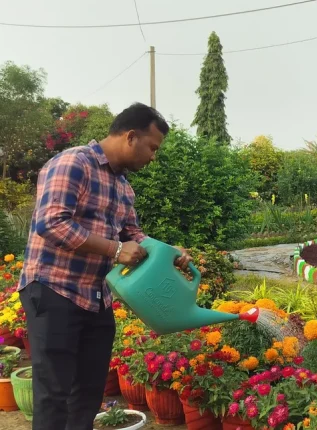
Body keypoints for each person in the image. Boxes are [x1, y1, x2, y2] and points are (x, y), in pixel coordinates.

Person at [18, 102, 192, 430]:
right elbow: (51, 223)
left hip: (96, 298)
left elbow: (133, 235)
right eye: (152, 147)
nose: (153, 157)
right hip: (54, 290)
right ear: (130, 136)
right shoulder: (73, 163)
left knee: (88, 392)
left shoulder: (123, 186)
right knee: (54, 394)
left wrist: (168, 253)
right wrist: (115, 250)